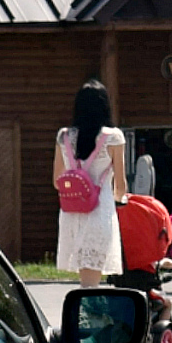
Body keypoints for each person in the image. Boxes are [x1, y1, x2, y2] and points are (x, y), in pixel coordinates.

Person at [53, 79, 127, 288]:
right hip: (99, 210)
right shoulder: (113, 137)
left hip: (71, 213)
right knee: (91, 282)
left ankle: (86, 315)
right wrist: (122, 198)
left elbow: (57, 180)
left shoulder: (64, 136)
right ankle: (87, 318)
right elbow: (120, 186)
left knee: (85, 277)